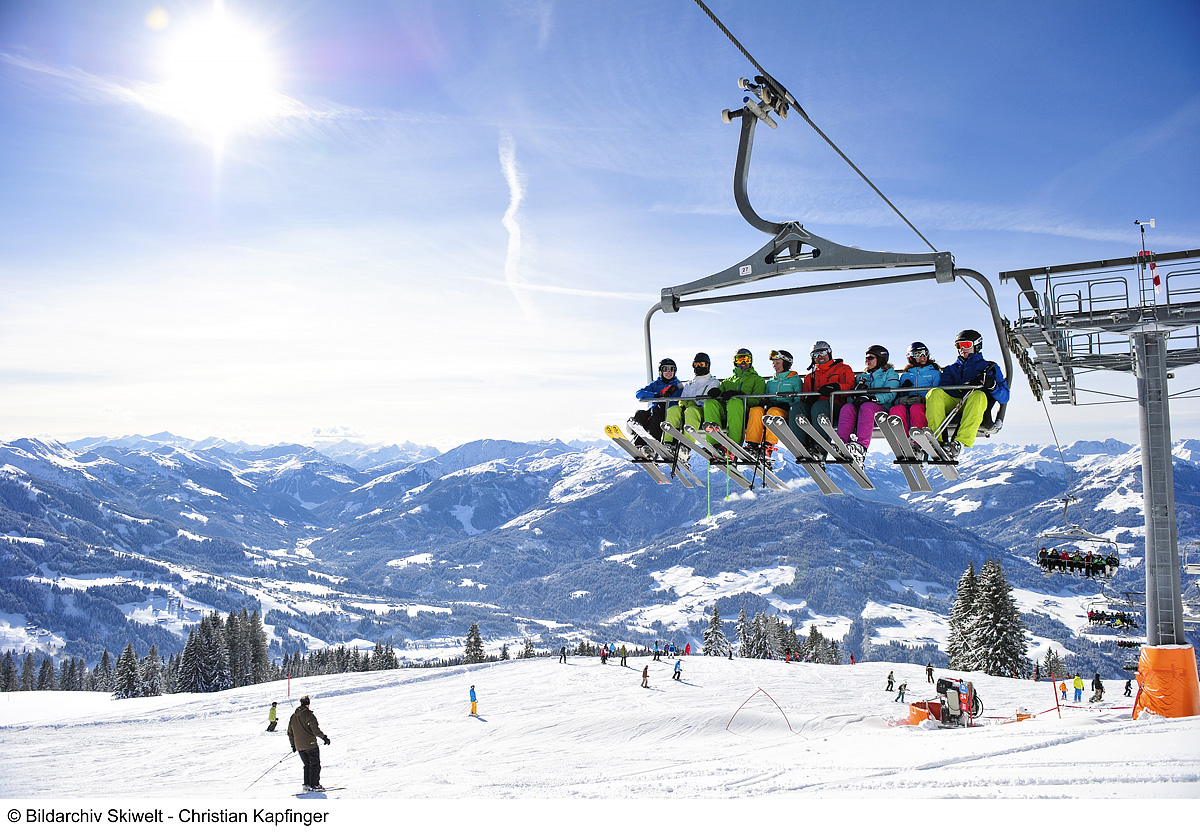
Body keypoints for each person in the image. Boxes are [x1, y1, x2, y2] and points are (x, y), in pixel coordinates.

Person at [924, 329, 1010, 457]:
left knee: (978, 395)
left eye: (966, 345)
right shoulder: (951, 369)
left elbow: (1005, 397)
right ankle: (938, 440)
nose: (962, 349)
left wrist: (992, 386)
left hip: (974, 404)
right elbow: (944, 388)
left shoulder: (990, 367)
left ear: (977, 346)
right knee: (934, 393)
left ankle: (959, 443)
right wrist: (961, 388)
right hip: (954, 403)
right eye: (959, 346)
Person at [837, 344, 900, 459]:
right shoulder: (861, 377)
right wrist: (855, 396)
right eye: (866, 358)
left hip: (882, 407)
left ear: (880, 359)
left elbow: (890, 394)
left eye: (870, 358)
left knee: (867, 407)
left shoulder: (890, 374)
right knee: (847, 407)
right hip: (863, 406)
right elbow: (850, 397)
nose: (867, 361)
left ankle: (861, 446)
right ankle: (842, 444)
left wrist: (872, 398)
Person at [796, 341, 856, 455]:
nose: (819, 357)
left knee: (820, 405)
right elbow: (804, 395)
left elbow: (850, 387)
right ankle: (802, 446)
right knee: (797, 407)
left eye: (822, 353)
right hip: (815, 408)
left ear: (829, 353)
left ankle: (819, 447)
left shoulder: (843, 369)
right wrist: (807, 399)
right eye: (815, 355)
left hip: (835, 407)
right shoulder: (810, 377)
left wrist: (837, 387)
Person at [702, 348, 766, 447]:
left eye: (746, 359)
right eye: (740, 359)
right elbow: (721, 402)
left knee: (734, 402)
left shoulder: (758, 380)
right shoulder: (727, 382)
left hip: (744, 412)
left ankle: (733, 443)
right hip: (727, 411)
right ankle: (714, 443)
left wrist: (739, 395)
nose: (743, 362)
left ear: (751, 361)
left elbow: (756, 401)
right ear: (735, 361)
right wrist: (716, 394)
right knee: (710, 403)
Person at [744, 349, 802, 456]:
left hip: (785, 411)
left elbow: (799, 400)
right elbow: (766, 397)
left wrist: (789, 406)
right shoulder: (771, 382)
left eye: (778, 363)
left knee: (773, 412)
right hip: (771, 408)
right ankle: (753, 444)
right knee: (756, 410)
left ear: (786, 363)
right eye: (773, 363)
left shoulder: (795, 380)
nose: (774, 365)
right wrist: (765, 402)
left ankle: (768, 445)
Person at [663, 352, 720, 452]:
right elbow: (683, 399)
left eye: (701, 364)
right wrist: (684, 404)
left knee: (691, 411)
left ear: (707, 365)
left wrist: (692, 403)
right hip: (687, 408)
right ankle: (668, 442)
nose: (698, 367)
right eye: (696, 364)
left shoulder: (713, 382)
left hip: (702, 411)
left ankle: (685, 446)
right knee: (673, 409)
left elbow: (707, 401)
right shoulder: (689, 383)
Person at [889, 342, 942, 434]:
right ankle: (901, 438)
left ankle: (918, 437)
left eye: (924, 353)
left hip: (925, 404)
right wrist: (902, 398)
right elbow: (899, 395)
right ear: (911, 357)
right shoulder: (905, 376)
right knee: (897, 409)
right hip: (908, 403)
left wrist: (922, 399)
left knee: (916, 408)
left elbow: (937, 393)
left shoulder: (935, 373)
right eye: (918, 354)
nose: (922, 356)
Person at [630, 358, 681, 448]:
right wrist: (655, 396)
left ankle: (653, 444)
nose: (669, 372)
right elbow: (639, 394)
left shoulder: (678, 385)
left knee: (657, 417)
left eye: (671, 369)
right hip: (655, 409)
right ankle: (639, 442)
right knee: (640, 415)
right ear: (660, 371)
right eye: (665, 369)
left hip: (669, 411)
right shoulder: (655, 384)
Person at [287, 695, 331, 793]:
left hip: (299, 746)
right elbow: (315, 730)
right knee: (314, 764)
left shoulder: (293, 716)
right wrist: (324, 738)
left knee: (307, 765)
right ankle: (314, 784)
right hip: (310, 744)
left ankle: (307, 784)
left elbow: (290, 732)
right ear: (308, 704)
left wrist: (293, 745)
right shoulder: (309, 715)